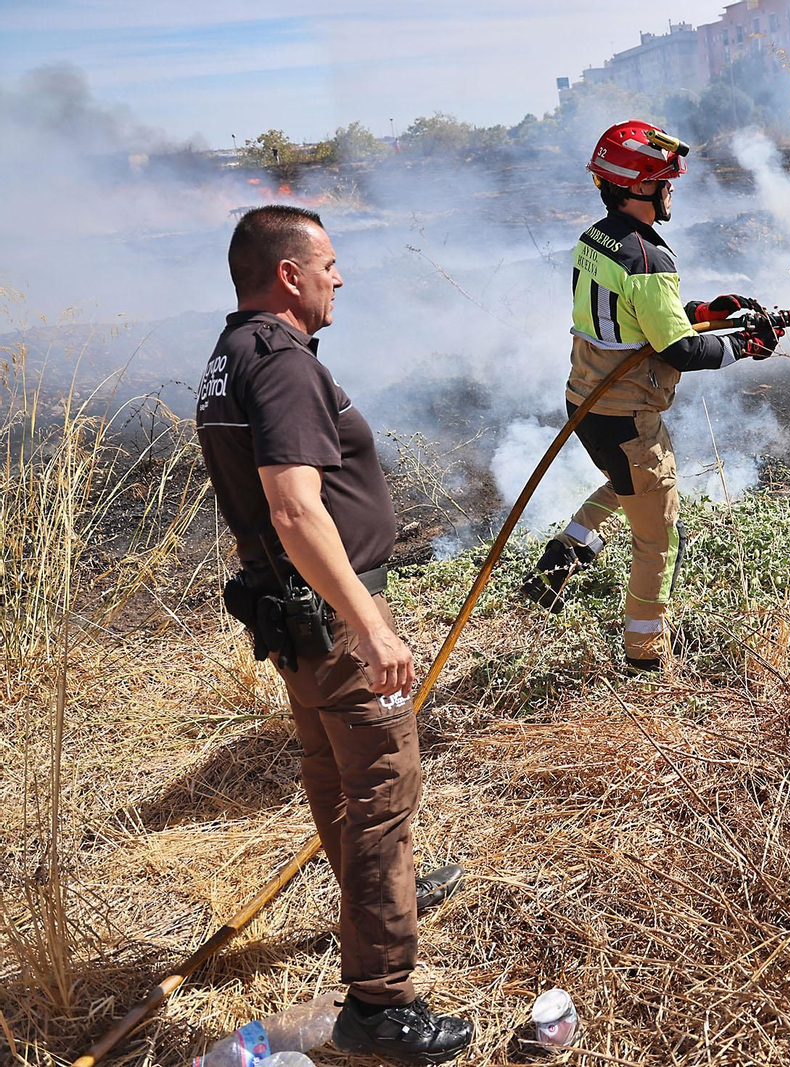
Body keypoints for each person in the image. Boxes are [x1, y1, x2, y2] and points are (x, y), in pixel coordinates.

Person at [196, 205, 473, 1065]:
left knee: (334, 773)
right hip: (331, 623)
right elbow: (293, 507)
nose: (338, 278)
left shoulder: (230, 355)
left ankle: (384, 898)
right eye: (328, 264)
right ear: (289, 274)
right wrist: (370, 622)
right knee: (383, 789)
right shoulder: (282, 363)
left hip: (292, 617)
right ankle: (381, 1004)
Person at [520, 120, 783, 670]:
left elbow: (633, 320)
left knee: (630, 485)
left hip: (587, 401)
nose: (671, 192)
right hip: (628, 415)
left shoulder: (595, 239)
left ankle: (560, 561)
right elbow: (679, 351)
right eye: (666, 182)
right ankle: (645, 657)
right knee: (660, 540)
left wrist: (704, 313)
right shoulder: (648, 260)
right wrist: (745, 345)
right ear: (639, 185)